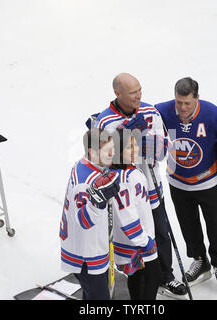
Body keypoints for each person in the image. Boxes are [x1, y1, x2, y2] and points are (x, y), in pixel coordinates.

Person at [90, 73, 188, 298]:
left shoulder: (150, 112)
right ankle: (136, 278)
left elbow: (164, 152)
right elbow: (100, 161)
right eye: (133, 92)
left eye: (140, 90)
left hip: (151, 187)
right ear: (118, 93)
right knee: (132, 237)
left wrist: (142, 140)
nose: (139, 96)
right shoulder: (103, 121)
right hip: (124, 194)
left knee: (161, 233)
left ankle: (165, 277)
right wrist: (124, 136)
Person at [155, 77, 217, 289]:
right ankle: (200, 260)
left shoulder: (212, 114)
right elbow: (141, 114)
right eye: (179, 102)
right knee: (188, 225)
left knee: (215, 224)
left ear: (197, 98)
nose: (182, 107)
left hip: (208, 181)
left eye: (187, 103)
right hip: (178, 181)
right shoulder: (163, 111)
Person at [59, 128, 120, 300]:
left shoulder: (84, 163)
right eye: (108, 151)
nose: (113, 154)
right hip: (85, 256)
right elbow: (84, 221)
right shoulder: (84, 183)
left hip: (85, 247)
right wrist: (97, 201)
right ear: (92, 152)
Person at [110, 128, 161, 300]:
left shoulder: (115, 173)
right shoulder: (129, 177)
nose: (135, 151)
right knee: (153, 277)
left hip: (126, 241)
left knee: (136, 277)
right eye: (129, 148)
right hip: (139, 241)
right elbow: (128, 215)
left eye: (135, 146)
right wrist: (144, 241)